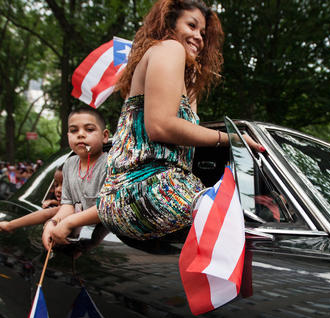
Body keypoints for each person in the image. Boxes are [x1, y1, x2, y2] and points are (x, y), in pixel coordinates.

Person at [94, 0, 263, 242]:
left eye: (203, 33)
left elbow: (185, 134)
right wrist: (232, 139)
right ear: (169, 25)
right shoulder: (169, 48)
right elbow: (161, 126)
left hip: (145, 193)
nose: (198, 37)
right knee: (243, 225)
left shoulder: (183, 74)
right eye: (191, 26)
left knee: (247, 215)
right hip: (149, 191)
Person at [43, 108, 109, 248]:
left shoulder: (111, 163)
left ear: (105, 136)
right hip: (76, 238)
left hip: (102, 239)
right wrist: (53, 223)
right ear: (68, 136)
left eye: (89, 129)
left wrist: (69, 222)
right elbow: (68, 204)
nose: (80, 135)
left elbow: (108, 207)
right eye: (74, 130)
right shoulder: (69, 164)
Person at [0, 167, 63, 233]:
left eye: (64, 185)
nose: (58, 190)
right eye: (56, 185)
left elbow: (47, 213)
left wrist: (9, 225)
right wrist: (54, 201)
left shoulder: (67, 209)